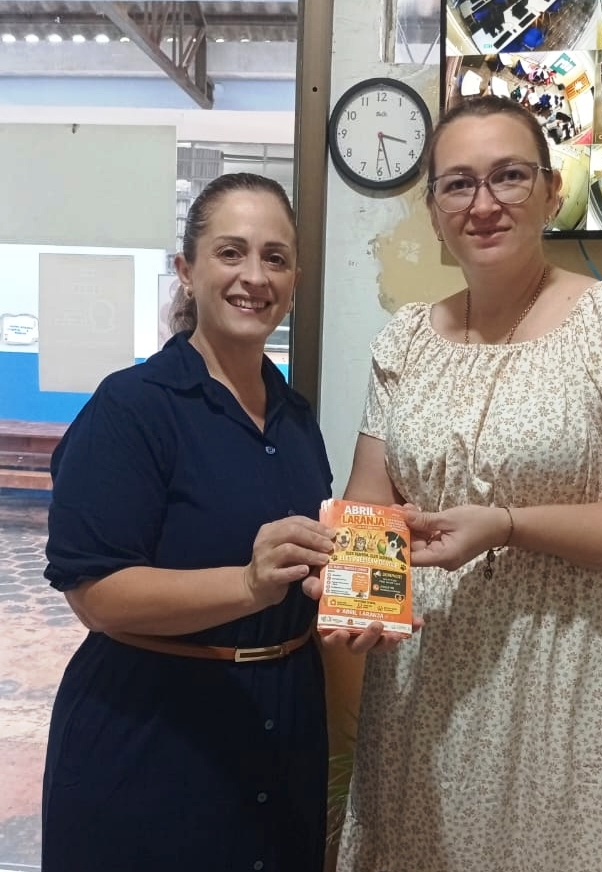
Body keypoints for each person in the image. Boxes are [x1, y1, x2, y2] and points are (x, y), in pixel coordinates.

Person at [329, 95, 602, 872]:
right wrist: (357, 603)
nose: (483, 204)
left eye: (508, 176)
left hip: (573, 682)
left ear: (549, 191)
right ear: (433, 211)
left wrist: (508, 523)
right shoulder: (404, 341)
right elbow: (371, 506)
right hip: (427, 686)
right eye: (457, 184)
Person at [42, 173, 336, 872]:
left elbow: (313, 572)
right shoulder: (132, 407)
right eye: (231, 252)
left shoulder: (297, 418)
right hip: (151, 741)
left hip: (285, 732)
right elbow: (95, 595)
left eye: (275, 257)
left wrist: (360, 591)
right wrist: (247, 584)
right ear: (186, 269)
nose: (254, 276)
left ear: (294, 280)